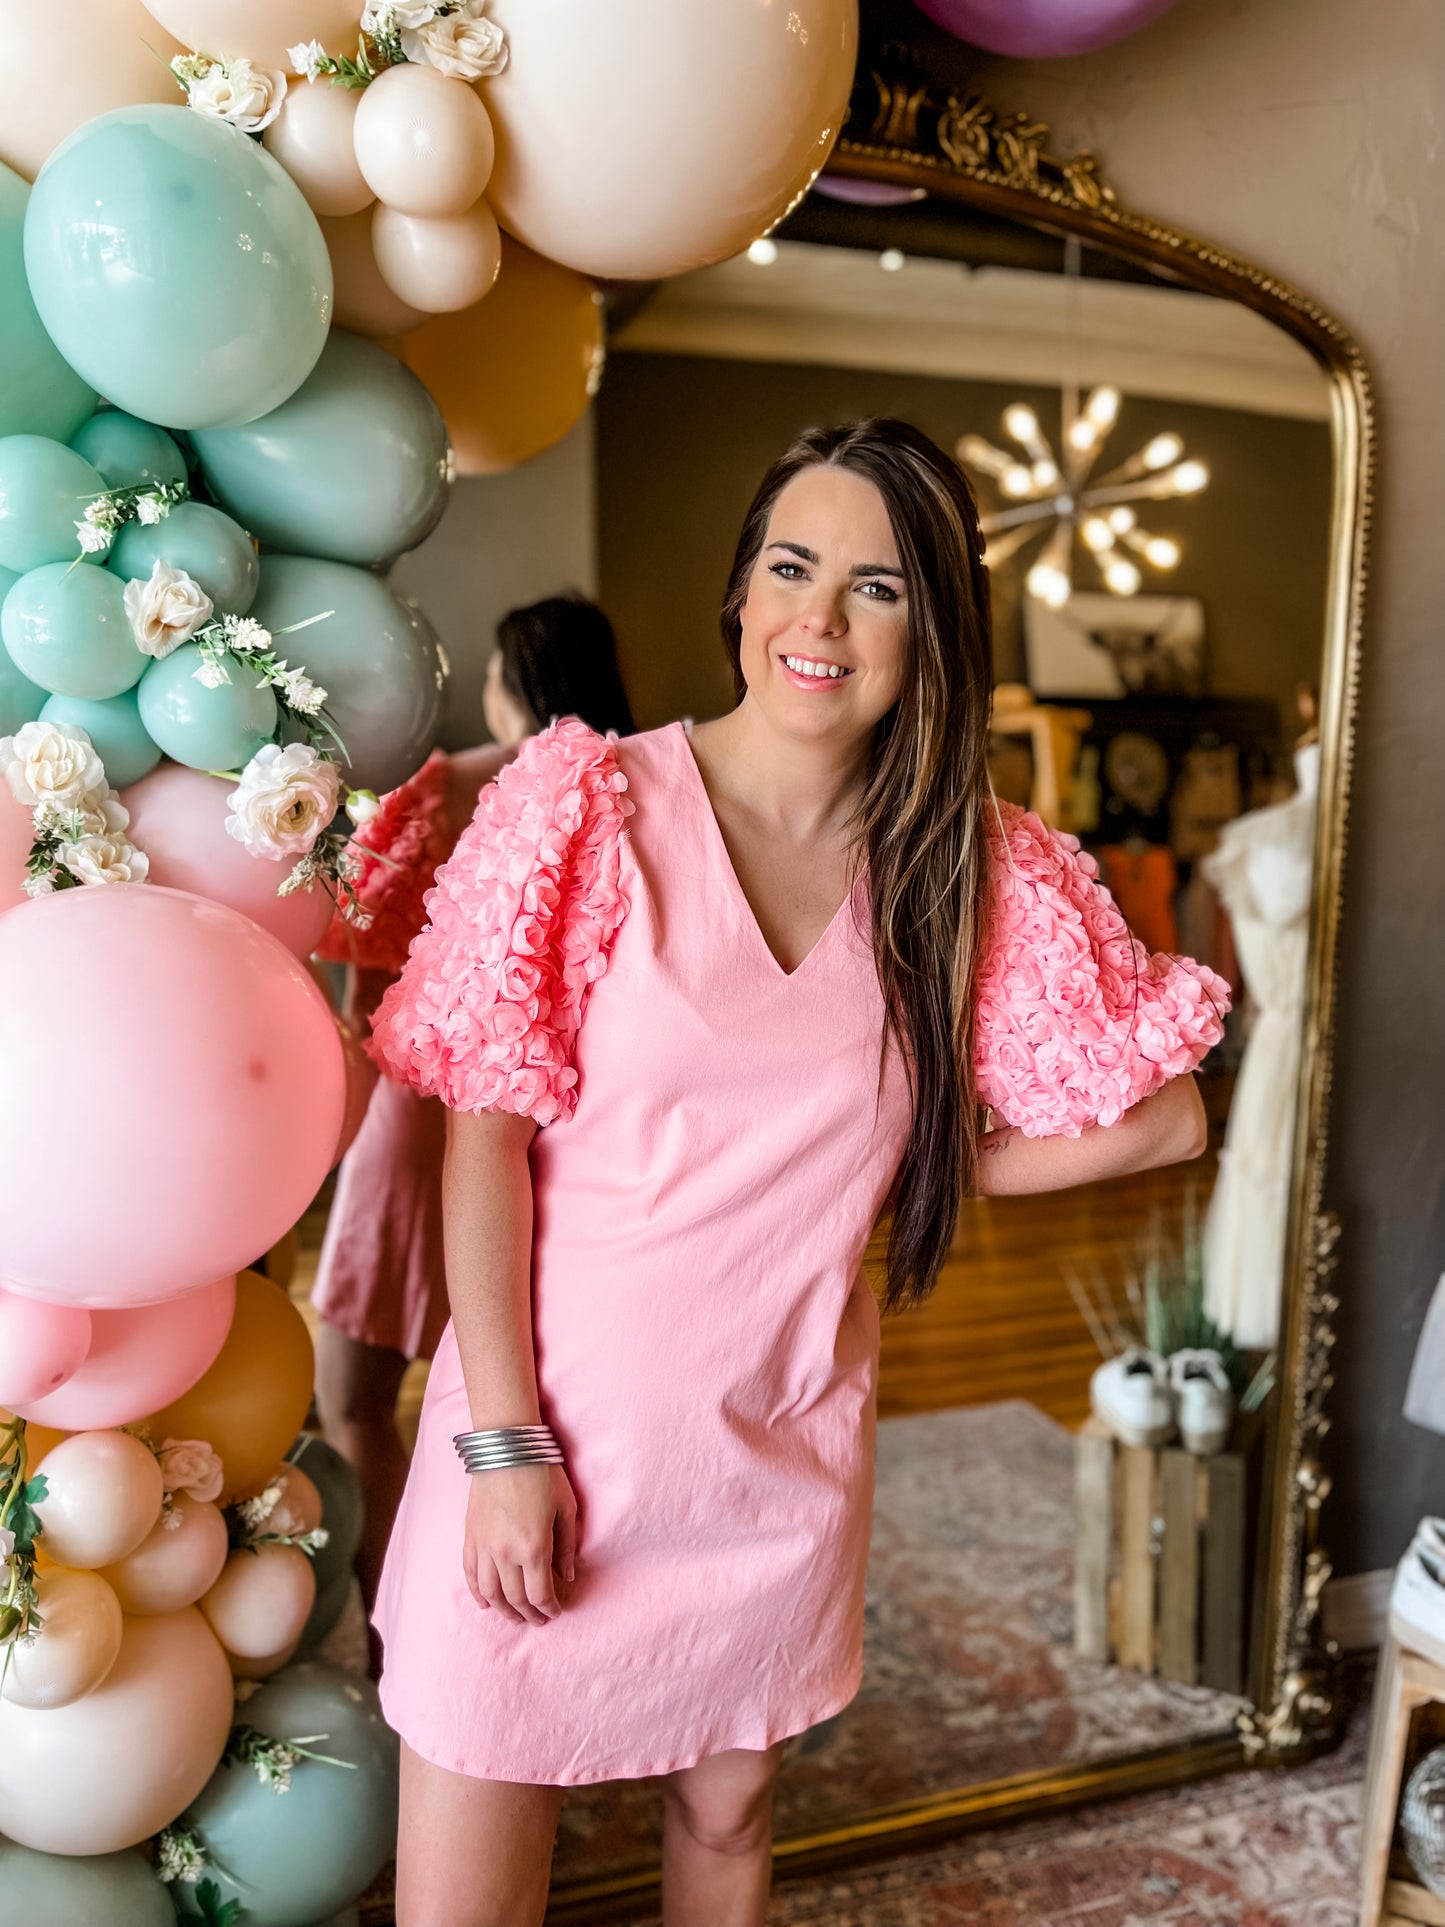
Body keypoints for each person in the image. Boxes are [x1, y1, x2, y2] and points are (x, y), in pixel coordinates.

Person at [364, 420, 1230, 1927]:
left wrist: (883, 1154)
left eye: (878, 586)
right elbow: (481, 1132)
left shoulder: (963, 870)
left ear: (931, 630)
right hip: (538, 1434)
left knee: (733, 1807)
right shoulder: (588, 804)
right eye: (792, 565)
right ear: (741, 593)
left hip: (770, 1450)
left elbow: (1166, 1121)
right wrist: (504, 1444)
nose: (820, 618)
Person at [311, 596, 636, 1618]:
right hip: (579, 1124)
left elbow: (351, 946)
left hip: (425, 1115)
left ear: (513, 680)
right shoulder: (644, 790)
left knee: (353, 1397)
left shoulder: (447, 789)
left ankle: (392, 1612)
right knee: (546, 1396)